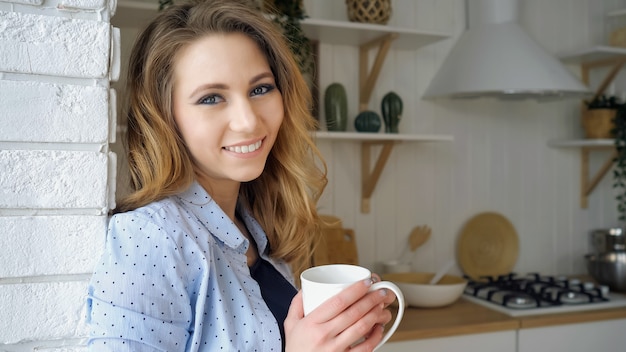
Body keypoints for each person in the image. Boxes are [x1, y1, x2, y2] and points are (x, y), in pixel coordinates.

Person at [86, 0, 395, 351]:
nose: (248, 121)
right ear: (163, 117)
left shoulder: (259, 227)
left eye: (260, 89)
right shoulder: (151, 238)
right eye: (211, 98)